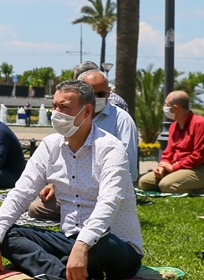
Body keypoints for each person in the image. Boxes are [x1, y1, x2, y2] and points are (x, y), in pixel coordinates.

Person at [0, 79, 142, 280]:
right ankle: (62, 273)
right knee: (7, 234)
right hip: (70, 240)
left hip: (113, 245)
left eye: (64, 107)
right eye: (54, 106)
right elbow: (21, 193)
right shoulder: (50, 145)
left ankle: (62, 266)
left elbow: (109, 202)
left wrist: (83, 244)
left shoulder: (110, 149)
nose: (56, 113)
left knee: (100, 245)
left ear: (86, 111)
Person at [28, 70, 139, 221]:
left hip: (104, 191)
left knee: (101, 214)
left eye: (100, 94)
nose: (95, 98)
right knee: (36, 208)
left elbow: (127, 167)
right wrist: (55, 184)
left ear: (108, 92)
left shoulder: (122, 121)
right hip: (71, 191)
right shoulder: (69, 118)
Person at [138, 90, 204, 193]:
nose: (164, 106)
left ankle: (196, 189)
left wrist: (174, 167)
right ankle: (180, 185)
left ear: (175, 108)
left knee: (166, 185)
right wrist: (162, 166)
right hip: (176, 168)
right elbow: (168, 152)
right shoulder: (174, 126)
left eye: (166, 104)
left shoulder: (200, 124)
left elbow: (199, 155)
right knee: (144, 182)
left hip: (199, 169)